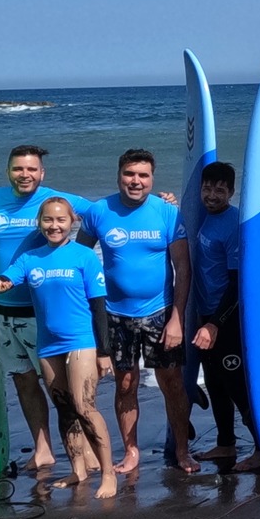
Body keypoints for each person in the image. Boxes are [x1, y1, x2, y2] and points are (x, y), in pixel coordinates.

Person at [0, 196, 119, 498]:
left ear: (72, 222)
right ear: (39, 223)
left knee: (85, 407)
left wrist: (104, 352)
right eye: (48, 220)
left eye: (61, 220)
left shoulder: (84, 256)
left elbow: (99, 307)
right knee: (65, 409)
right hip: (48, 345)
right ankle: (77, 470)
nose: (54, 226)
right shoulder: (31, 259)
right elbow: (1, 284)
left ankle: (108, 474)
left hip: (81, 342)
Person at [78, 149, 193, 473]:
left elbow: (183, 269)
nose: (136, 181)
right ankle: (131, 451)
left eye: (143, 175)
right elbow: (78, 261)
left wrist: (177, 319)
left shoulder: (168, 213)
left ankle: (182, 451)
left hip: (160, 313)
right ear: (119, 174)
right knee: (125, 385)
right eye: (130, 173)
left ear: (152, 178)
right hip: (115, 315)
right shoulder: (99, 211)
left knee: (172, 383)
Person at [0, 145, 90, 475]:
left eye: (31, 169)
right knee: (23, 382)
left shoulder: (56, 200)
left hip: (40, 312)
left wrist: (76, 256)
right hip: (2, 309)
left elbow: (105, 214)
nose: (24, 175)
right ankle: (43, 450)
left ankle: (86, 453)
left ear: (42, 173)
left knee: (59, 389)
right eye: (18, 169)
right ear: (8, 171)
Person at [189, 161, 260, 472]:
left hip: (225, 319)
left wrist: (215, 323)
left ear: (231, 192)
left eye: (220, 189)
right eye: (207, 188)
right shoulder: (204, 217)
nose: (212, 194)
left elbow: (237, 283)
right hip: (206, 314)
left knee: (236, 385)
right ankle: (225, 443)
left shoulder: (233, 225)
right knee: (216, 383)